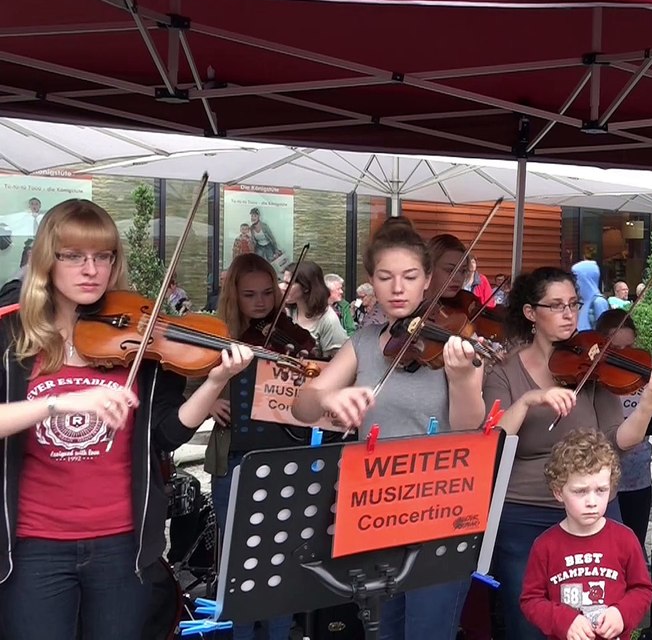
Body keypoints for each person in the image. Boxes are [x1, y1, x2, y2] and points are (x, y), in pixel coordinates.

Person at [0, 198, 252, 640]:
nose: (90, 268)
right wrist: (61, 403)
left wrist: (214, 382)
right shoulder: (11, 335)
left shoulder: (139, 336)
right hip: (32, 545)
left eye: (103, 256)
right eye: (73, 256)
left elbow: (166, 434)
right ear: (47, 260)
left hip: (123, 545)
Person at [292, 216, 486, 640]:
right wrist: (327, 397)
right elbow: (301, 406)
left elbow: (471, 430)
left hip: (440, 508)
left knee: (428, 631)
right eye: (385, 277)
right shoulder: (362, 342)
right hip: (375, 509)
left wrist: (463, 379)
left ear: (427, 280)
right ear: (372, 282)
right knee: (382, 631)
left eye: (410, 276)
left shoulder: (454, 341)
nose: (398, 288)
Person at [485, 266, 652, 640]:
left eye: (573, 303)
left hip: (594, 509)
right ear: (530, 313)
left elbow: (618, 440)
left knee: (601, 614)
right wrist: (528, 400)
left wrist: (648, 404)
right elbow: (493, 439)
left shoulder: (590, 364)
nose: (569, 313)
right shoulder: (506, 370)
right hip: (525, 512)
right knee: (529, 622)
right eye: (556, 305)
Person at [208, 252, 296, 640]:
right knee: (237, 559)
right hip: (235, 456)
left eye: (267, 293)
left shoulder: (291, 336)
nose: (261, 303)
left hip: (284, 455)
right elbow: (179, 387)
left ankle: (280, 632)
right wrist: (208, 398)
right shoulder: (215, 336)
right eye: (249, 295)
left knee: (282, 557)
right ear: (234, 296)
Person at [519, 429, 652, 640]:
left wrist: (621, 613)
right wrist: (563, 621)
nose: (592, 501)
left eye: (601, 490)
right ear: (558, 492)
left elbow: (643, 589)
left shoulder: (625, 539)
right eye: (580, 491)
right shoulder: (545, 545)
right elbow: (531, 600)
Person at [594, 310, 652, 548]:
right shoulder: (595, 381)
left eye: (629, 347)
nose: (624, 358)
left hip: (637, 475)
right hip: (604, 478)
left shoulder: (641, 375)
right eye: (616, 350)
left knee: (634, 543)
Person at [284, 260, 348, 358]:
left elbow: (336, 361)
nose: (283, 287)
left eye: (288, 283)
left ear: (305, 287)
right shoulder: (287, 311)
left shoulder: (328, 320)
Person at [572, 259, 610, 332]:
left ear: (586, 279)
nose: (574, 282)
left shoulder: (598, 302)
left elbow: (604, 332)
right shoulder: (580, 302)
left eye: (576, 278)